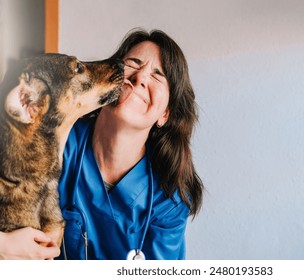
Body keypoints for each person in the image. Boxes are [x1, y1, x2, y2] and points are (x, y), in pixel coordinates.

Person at [0, 28, 203, 260]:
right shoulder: (51, 143)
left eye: (158, 75)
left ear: (165, 114)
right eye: (134, 63)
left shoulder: (168, 199)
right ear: (110, 76)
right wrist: (3, 245)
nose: (141, 78)